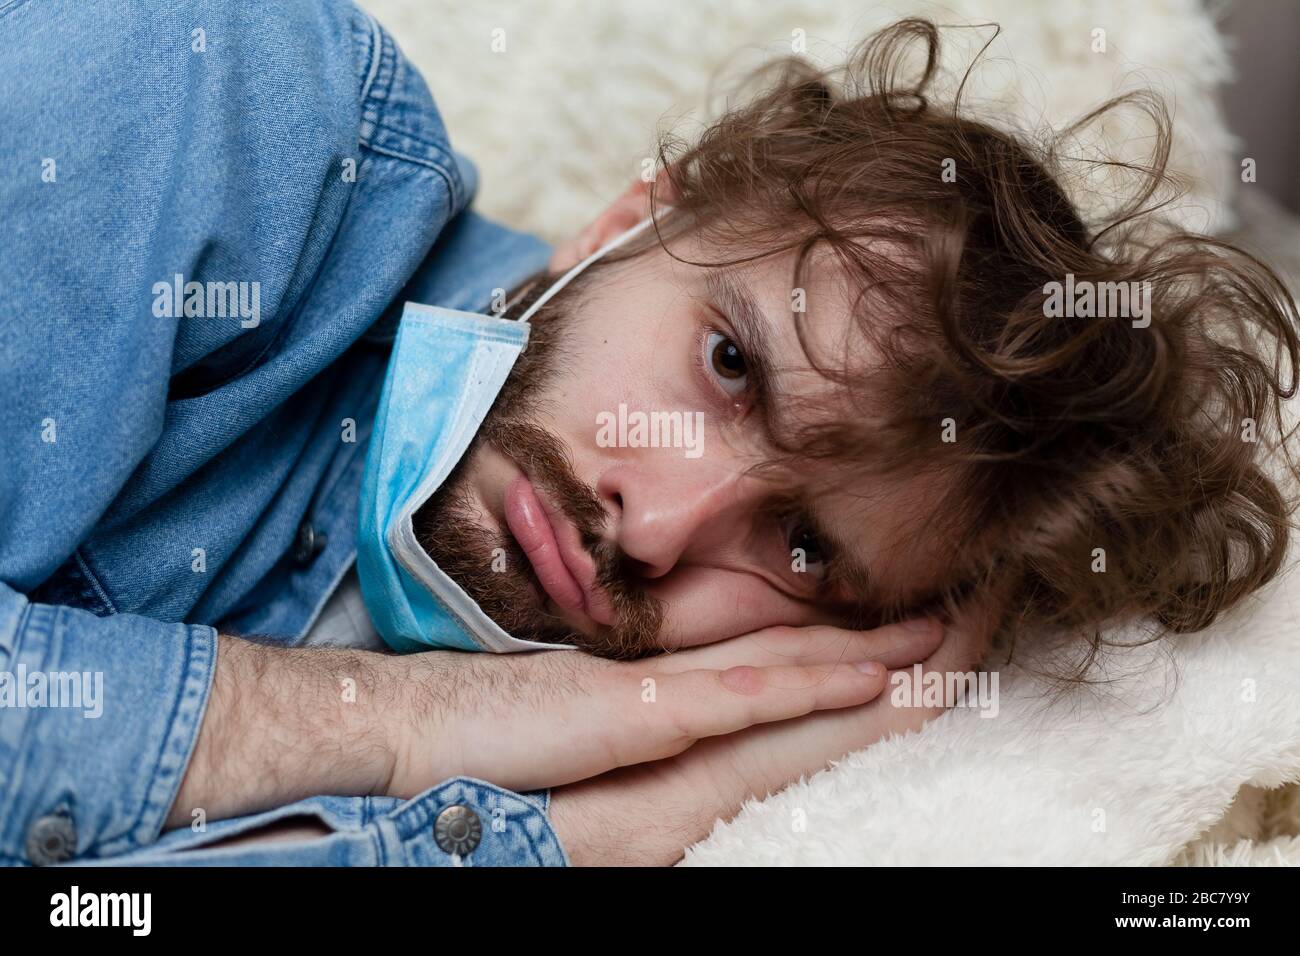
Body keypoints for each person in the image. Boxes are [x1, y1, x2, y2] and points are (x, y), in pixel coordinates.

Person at [1, 2, 1292, 867]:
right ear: (630, 220)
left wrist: (610, 828)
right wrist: (393, 733)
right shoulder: (228, 100)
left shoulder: (554, 743)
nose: (661, 524)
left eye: (799, 545)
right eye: (729, 365)